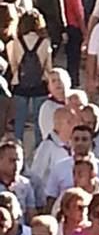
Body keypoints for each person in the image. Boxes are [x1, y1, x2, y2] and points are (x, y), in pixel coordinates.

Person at [8, 10, 52, 148]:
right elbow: (48, 67)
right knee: (39, 119)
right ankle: (39, 148)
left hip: (20, 83)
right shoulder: (45, 42)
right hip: (40, 84)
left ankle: (17, 146)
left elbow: (13, 64)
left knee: (19, 119)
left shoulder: (16, 42)